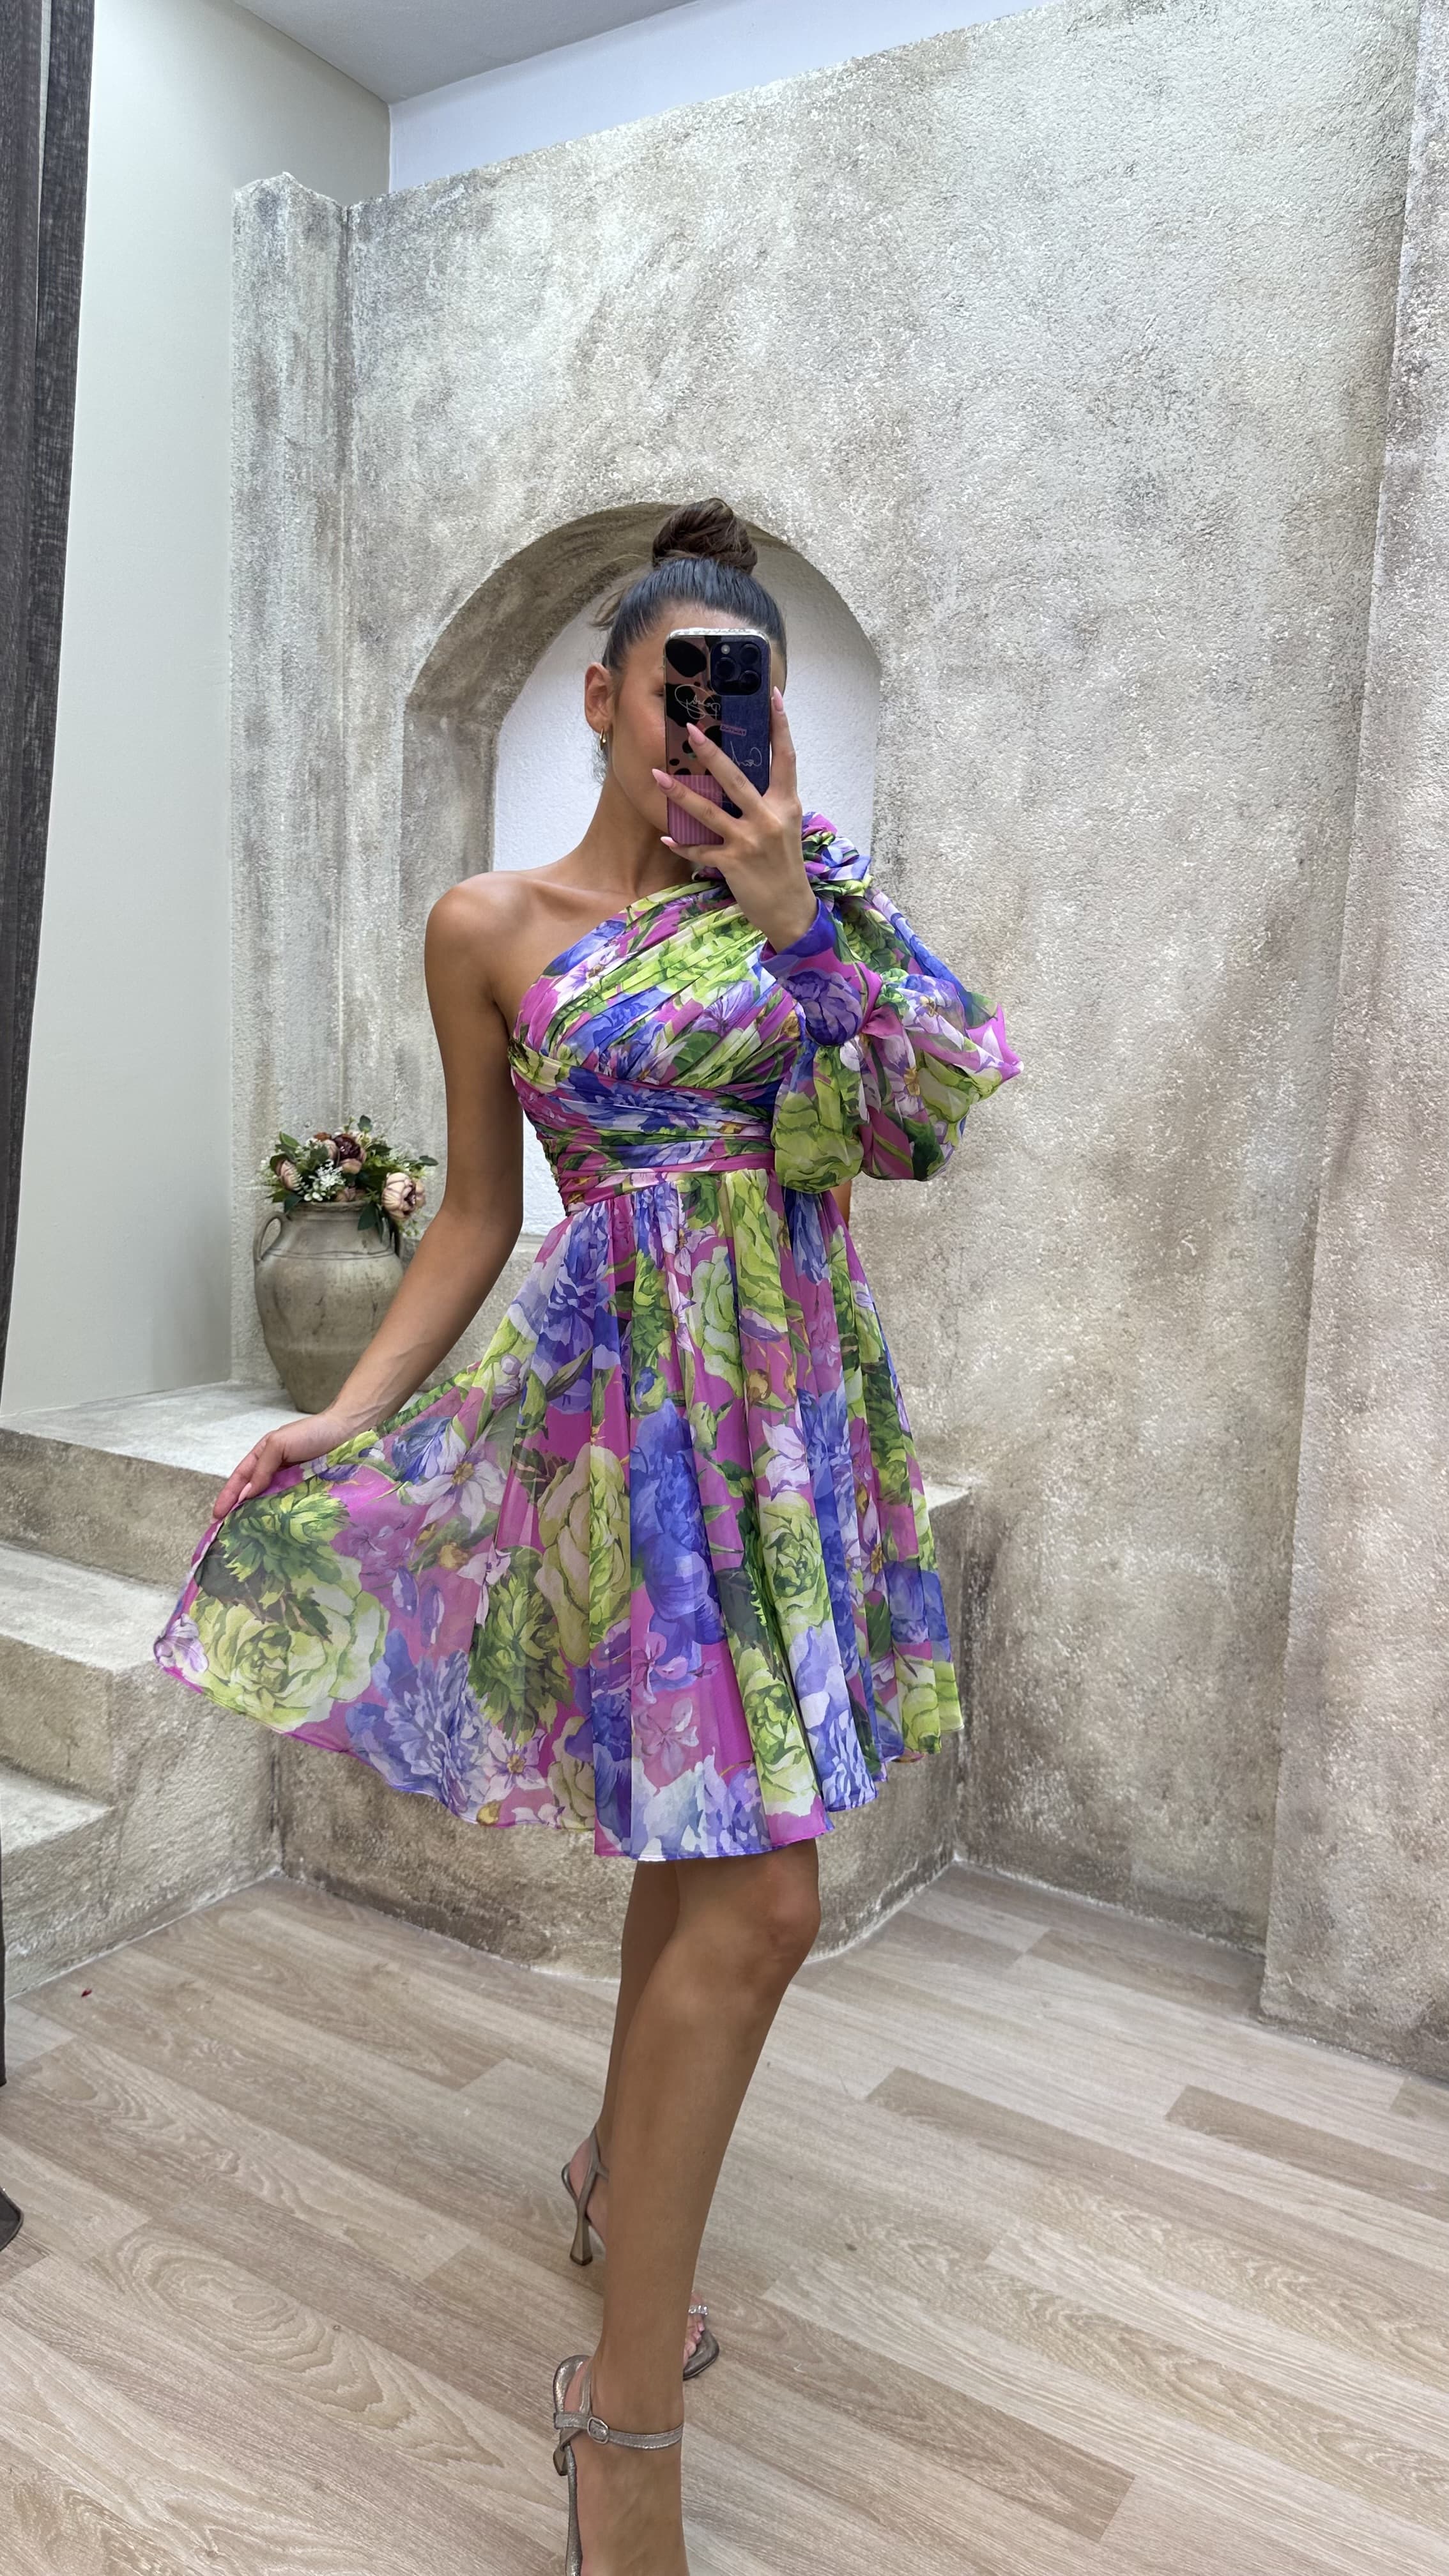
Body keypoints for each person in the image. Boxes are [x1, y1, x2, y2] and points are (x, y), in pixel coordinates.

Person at [153, 498, 1021, 2575]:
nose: (710, 717)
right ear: (600, 693)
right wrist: (346, 1415)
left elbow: (920, 1124)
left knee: (729, 1874)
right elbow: (478, 1213)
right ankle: (626, 2427)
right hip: (622, 1424)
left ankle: (618, 2197)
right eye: (679, 680)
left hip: (788, 1419)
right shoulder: (490, 925)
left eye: (749, 691)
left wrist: (794, 915)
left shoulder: (814, 899)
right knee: (746, 1887)